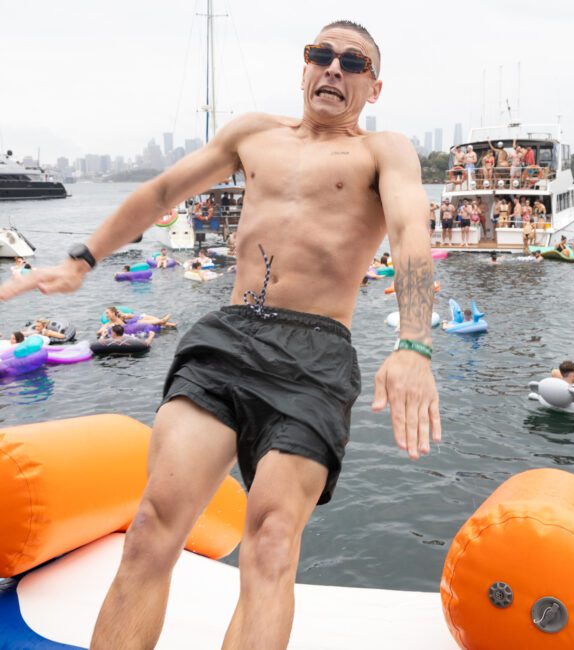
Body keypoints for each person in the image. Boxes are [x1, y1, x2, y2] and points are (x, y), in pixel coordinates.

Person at [0, 21, 440, 650]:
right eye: (322, 55)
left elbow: (410, 234)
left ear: (374, 86)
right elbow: (160, 192)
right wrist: (81, 260)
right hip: (229, 337)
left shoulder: (384, 151)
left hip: (313, 354)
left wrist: (414, 345)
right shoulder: (252, 133)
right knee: (153, 525)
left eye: (354, 62)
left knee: (270, 542)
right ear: (304, 67)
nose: (335, 69)